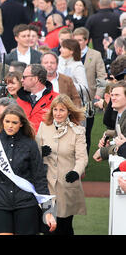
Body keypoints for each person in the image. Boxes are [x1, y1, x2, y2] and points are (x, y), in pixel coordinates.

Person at [0, 104, 56, 235]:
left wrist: (48, 212)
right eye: (7, 121)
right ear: (2, 121)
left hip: (26, 205)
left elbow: (40, 179)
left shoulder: (30, 144)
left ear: (21, 124)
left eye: (14, 122)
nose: (10, 125)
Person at [36, 94, 87, 235]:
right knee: (48, 226)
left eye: (62, 110)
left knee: (65, 227)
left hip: (67, 187)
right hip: (46, 188)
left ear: (69, 111)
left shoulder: (78, 131)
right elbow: (33, 154)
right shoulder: (43, 127)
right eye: (55, 110)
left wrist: (76, 172)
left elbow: (82, 158)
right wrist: (40, 152)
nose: (58, 113)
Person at [16, 64, 59, 132]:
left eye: (24, 77)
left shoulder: (57, 100)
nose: (21, 80)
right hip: (23, 141)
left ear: (35, 79)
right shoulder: (19, 100)